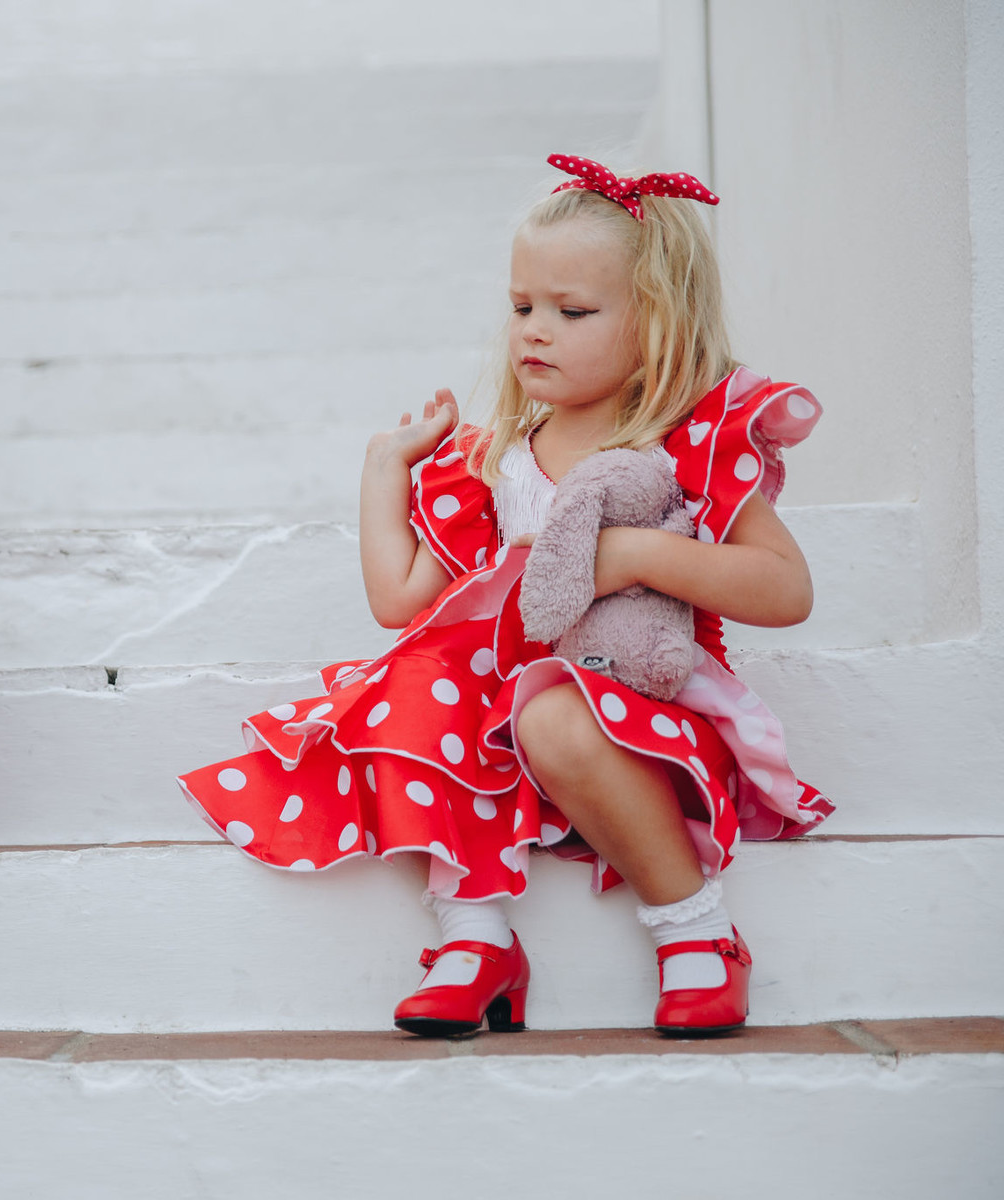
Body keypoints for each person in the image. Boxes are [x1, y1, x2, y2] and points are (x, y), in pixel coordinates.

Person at [178, 154, 830, 1037]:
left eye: (573, 311)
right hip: (493, 732)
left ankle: (697, 934)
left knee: (552, 714)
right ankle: (475, 940)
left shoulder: (689, 453)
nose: (536, 332)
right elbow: (400, 601)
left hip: (629, 722)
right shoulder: (494, 461)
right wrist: (385, 470)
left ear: (659, 323)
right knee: (413, 678)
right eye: (523, 307)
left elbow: (786, 590)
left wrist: (631, 553)